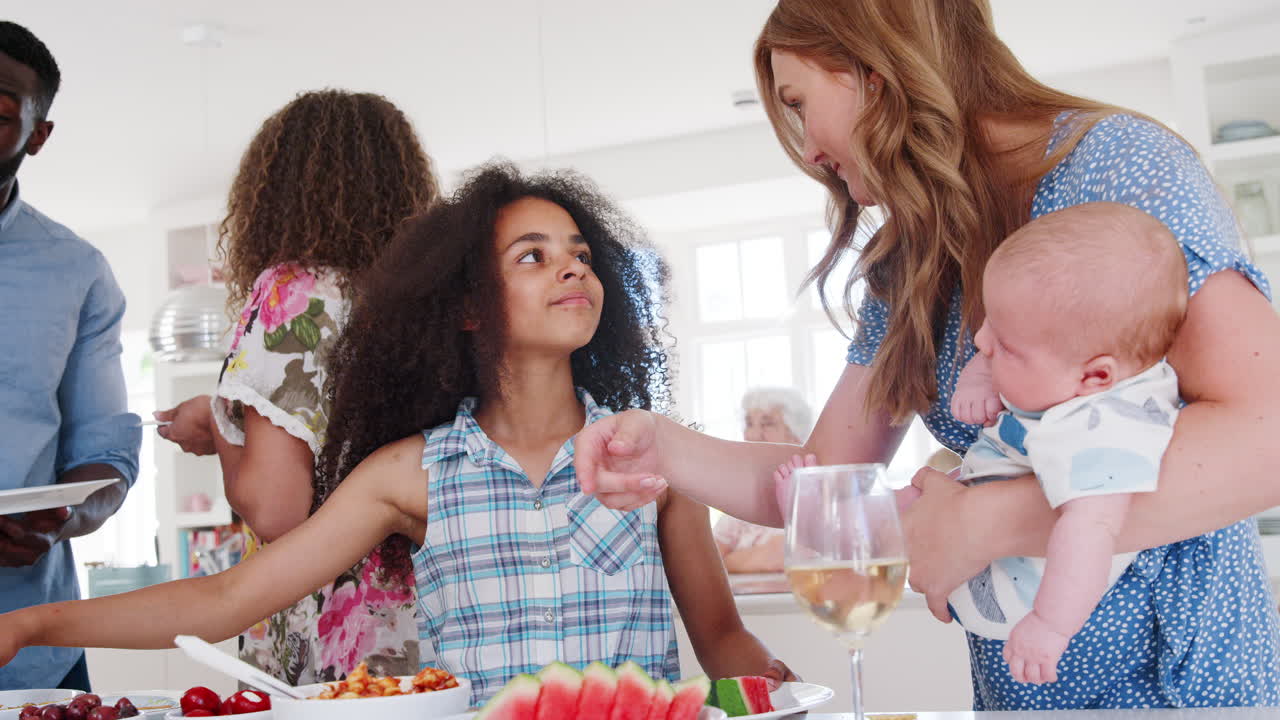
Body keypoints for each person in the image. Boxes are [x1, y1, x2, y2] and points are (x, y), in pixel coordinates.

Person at [574, 0, 1280, 709]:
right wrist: (660, 447)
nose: (808, 149)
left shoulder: (1118, 168)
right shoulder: (915, 255)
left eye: (799, 102)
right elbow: (827, 481)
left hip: (1186, 690)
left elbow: (1268, 437)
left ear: (873, 70)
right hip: (1021, 695)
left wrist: (983, 521)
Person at [0, 163, 794, 705]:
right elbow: (231, 597)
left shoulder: (656, 456)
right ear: (471, 306)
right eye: (534, 256)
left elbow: (722, 637)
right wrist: (33, 624)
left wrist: (784, 695)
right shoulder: (411, 473)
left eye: (581, 256)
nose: (573, 269)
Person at [151, 89, 440, 683]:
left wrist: (218, 418)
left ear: (274, 190)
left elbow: (278, 509)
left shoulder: (295, 293)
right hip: (435, 621)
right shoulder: (427, 302)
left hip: (334, 632)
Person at [936, 202, 1187, 684]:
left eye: (1004, 345)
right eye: (989, 324)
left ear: (1094, 376)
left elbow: (1090, 534)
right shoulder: (1076, 367)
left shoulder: (1108, 431)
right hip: (975, 506)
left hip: (1010, 590)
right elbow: (1006, 349)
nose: (982, 343)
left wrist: (1050, 626)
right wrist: (983, 375)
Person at [0, 22, 141, 691]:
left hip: (31, 651)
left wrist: (58, 522)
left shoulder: (78, 273)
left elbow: (106, 456)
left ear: (37, 135)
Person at [714, 388, 812, 574]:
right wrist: (763, 555)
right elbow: (706, 563)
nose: (752, 435)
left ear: (795, 435)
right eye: (749, 424)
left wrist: (735, 560)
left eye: (767, 424)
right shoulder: (741, 501)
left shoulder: (815, 492)